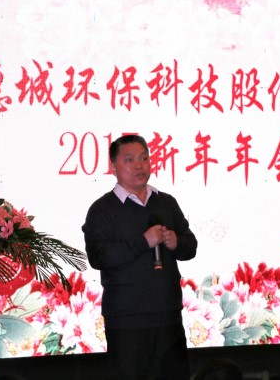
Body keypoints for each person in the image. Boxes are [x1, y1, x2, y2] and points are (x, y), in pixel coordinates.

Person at [83, 134, 198, 380]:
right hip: (127, 321)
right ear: (113, 167)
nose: (139, 165)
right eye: (130, 160)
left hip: (167, 316)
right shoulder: (102, 210)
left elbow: (191, 247)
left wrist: (177, 242)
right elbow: (99, 257)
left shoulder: (166, 203)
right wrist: (143, 242)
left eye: (144, 159)